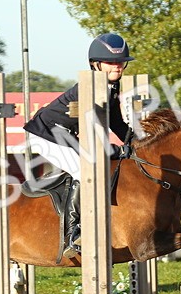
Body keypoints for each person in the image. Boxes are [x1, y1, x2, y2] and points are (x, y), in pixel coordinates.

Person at [23, 32, 134, 254]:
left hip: (64, 134)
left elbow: (116, 122)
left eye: (121, 62)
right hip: (47, 135)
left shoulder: (111, 86)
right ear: (96, 64)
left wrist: (139, 142)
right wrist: (114, 150)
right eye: (111, 62)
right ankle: (73, 234)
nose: (118, 66)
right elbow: (93, 135)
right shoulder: (90, 86)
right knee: (85, 172)